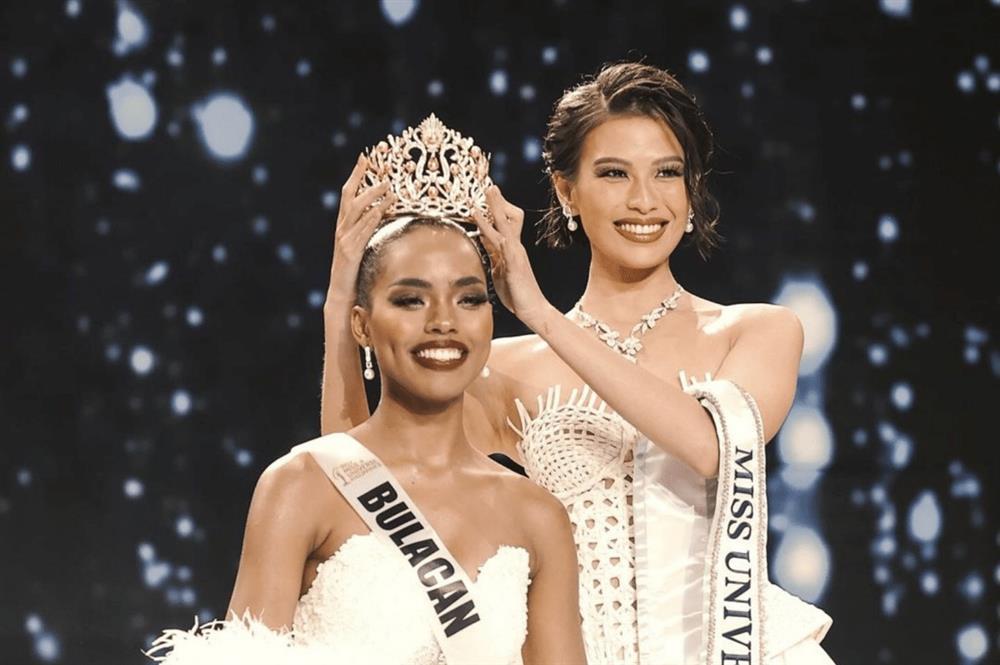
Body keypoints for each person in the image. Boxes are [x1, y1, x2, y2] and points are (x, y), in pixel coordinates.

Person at [321, 65, 834, 664]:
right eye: (614, 173)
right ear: (567, 192)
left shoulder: (758, 332)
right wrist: (340, 302)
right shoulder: (506, 371)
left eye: (667, 172)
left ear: (692, 188)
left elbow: (709, 447)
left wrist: (539, 314)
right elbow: (358, 486)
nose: (644, 200)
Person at [149, 117, 585, 665]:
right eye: (410, 300)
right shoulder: (301, 485)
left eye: (469, 299)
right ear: (361, 324)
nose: (443, 322)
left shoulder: (538, 516)